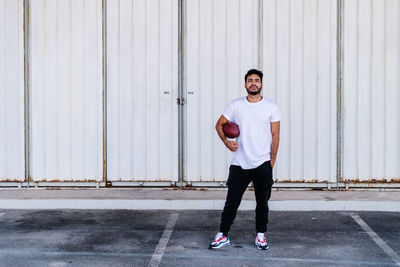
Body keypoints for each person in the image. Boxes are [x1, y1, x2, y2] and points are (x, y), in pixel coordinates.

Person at [209, 69, 282, 250]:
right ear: (245, 84)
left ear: (262, 84)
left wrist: (271, 161)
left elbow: (275, 136)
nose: (253, 83)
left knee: (262, 202)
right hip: (240, 162)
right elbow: (219, 124)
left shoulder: (271, 107)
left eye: (257, 80)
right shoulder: (236, 105)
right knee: (232, 201)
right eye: (250, 80)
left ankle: (261, 235)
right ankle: (223, 235)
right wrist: (227, 142)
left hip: (262, 162)